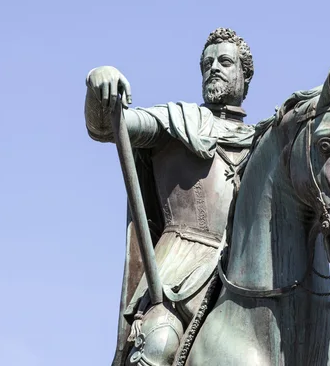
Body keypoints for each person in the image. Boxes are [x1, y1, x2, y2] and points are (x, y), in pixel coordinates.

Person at [85, 27, 256, 366]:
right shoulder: (177, 120)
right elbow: (109, 126)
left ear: (245, 76)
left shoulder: (263, 141)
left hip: (244, 271)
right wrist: (97, 83)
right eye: (207, 63)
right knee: (158, 342)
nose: (214, 68)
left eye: (224, 61)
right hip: (180, 267)